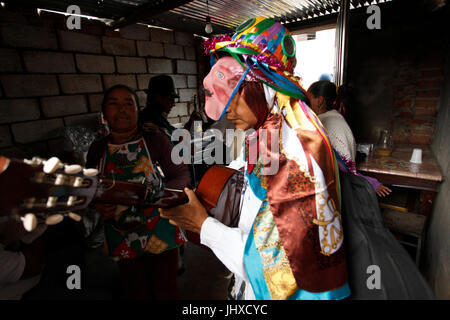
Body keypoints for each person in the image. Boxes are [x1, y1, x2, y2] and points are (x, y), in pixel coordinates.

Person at [160, 17, 350, 300]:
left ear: (262, 86)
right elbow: (248, 182)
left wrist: (203, 226)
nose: (226, 109)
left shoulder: (293, 158)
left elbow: (274, 270)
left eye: (235, 93)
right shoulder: (269, 129)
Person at [85, 84, 191, 299]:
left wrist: (163, 199)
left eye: (128, 104)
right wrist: (98, 203)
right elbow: (91, 187)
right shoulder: (98, 149)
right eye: (114, 104)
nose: (122, 109)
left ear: (137, 110)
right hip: (121, 228)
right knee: (135, 288)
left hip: (159, 225)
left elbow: (181, 174)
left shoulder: (155, 139)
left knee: (165, 288)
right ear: (104, 113)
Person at [307, 80, 392, 197]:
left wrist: (371, 183)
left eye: (309, 98)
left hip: (339, 185)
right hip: (344, 182)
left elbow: (343, 168)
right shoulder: (337, 117)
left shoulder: (320, 123)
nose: (305, 103)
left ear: (319, 100)